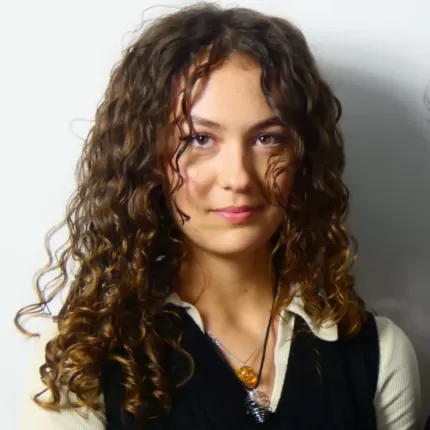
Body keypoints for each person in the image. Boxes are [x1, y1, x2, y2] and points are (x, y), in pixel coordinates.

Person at [16, 3, 421, 430]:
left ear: (304, 157)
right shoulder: (81, 359)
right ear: (147, 159)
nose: (238, 177)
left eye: (267, 138)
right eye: (200, 138)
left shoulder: (376, 353)